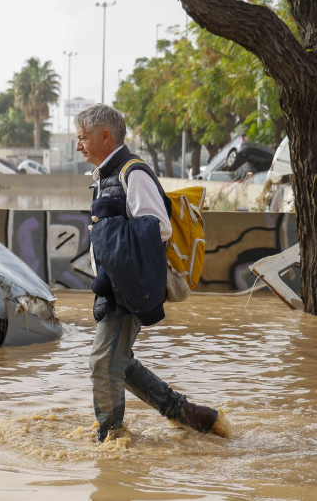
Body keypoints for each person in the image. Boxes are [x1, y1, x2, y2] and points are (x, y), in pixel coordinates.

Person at [74, 104, 229, 443]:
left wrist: (106, 229)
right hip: (112, 285)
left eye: (82, 138)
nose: (78, 145)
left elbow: (157, 227)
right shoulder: (105, 177)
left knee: (103, 362)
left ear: (105, 136)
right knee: (119, 361)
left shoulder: (134, 172)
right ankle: (191, 416)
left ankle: (111, 440)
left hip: (126, 286)